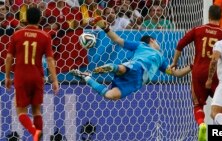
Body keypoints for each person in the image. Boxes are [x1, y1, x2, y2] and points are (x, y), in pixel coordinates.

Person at [70, 17, 192, 100]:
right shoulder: (141, 45)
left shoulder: (162, 60)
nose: (159, 44)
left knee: (111, 95)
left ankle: (87, 77)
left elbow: (177, 74)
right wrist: (105, 28)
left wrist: (191, 66)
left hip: (136, 82)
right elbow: (118, 40)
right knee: (124, 69)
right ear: (152, 40)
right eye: (157, 41)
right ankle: (113, 67)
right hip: (138, 66)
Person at [169, 5, 222, 141]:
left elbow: (180, 44)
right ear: (221, 17)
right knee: (221, 107)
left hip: (198, 72)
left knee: (198, 105)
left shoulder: (197, 29)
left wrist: (174, 62)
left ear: (209, 15)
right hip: (216, 74)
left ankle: (201, 125)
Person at [5, 7, 59, 141]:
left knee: (21, 111)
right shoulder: (45, 36)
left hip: (21, 76)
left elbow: (9, 58)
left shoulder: (17, 35)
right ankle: (37, 138)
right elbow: (50, 59)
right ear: (40, 19)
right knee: (36, 111)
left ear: (25, 19)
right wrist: (55, 80)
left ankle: (34, 132)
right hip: (37, 76)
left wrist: (7, 76)